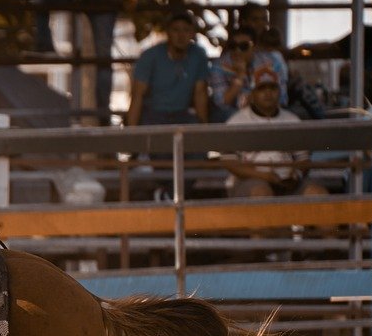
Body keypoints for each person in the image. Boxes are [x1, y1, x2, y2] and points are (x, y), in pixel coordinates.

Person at [223, 65, 328, 199]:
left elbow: (303, 159)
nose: (268, 93)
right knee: (261, 193)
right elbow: (230, 163)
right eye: (262, 88)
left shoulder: (292, 120)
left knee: (318, 193)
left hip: (288, 181)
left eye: (272, 88)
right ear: (253, 93)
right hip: (249, 180)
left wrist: (297, 175)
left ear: (279, 91)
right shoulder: (237, 121)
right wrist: (264, 176)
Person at [126, 10, 211, 127]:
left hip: (182, 114)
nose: (181, 35)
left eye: (186, 30)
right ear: (168, 32)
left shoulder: (198, 55)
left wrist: (204, 128)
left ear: (192, 33)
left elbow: (200, 93)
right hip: (153, 114)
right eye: (176, 30)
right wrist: (132, 132)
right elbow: (137, 96)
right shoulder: (150, 56)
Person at [208, 25, 288, 122]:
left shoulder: (271, 62)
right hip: (233, 112)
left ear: (254, 46)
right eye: (233, 46)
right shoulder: (219, 66)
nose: (237, 51)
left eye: (243, 46)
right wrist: (240, 76)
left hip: (265, 110)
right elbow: (222, 103)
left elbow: (282, 97)